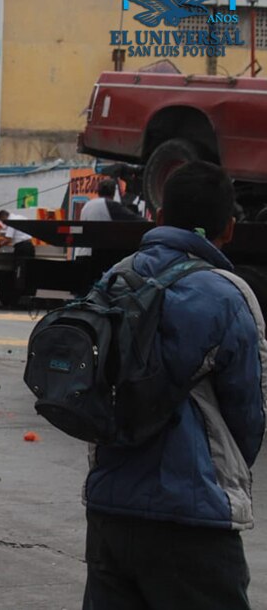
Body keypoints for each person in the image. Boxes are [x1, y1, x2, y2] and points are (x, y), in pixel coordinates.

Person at [82, 161, 265, 610]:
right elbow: (248, 413)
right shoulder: (228, 294)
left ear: (159, 218)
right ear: (229, 227)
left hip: (109, 509)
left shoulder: (114, 279)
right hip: (191, 519)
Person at [0, 210, 34, 295]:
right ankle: (29, 293)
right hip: (30, 246)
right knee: (29, 271)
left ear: (4, 217)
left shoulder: (11, 222)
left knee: (19, 271)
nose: (4, 223)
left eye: (2, 221)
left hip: (22, 248)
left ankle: (19, 293)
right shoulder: (20, 218)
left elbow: (8, 239)